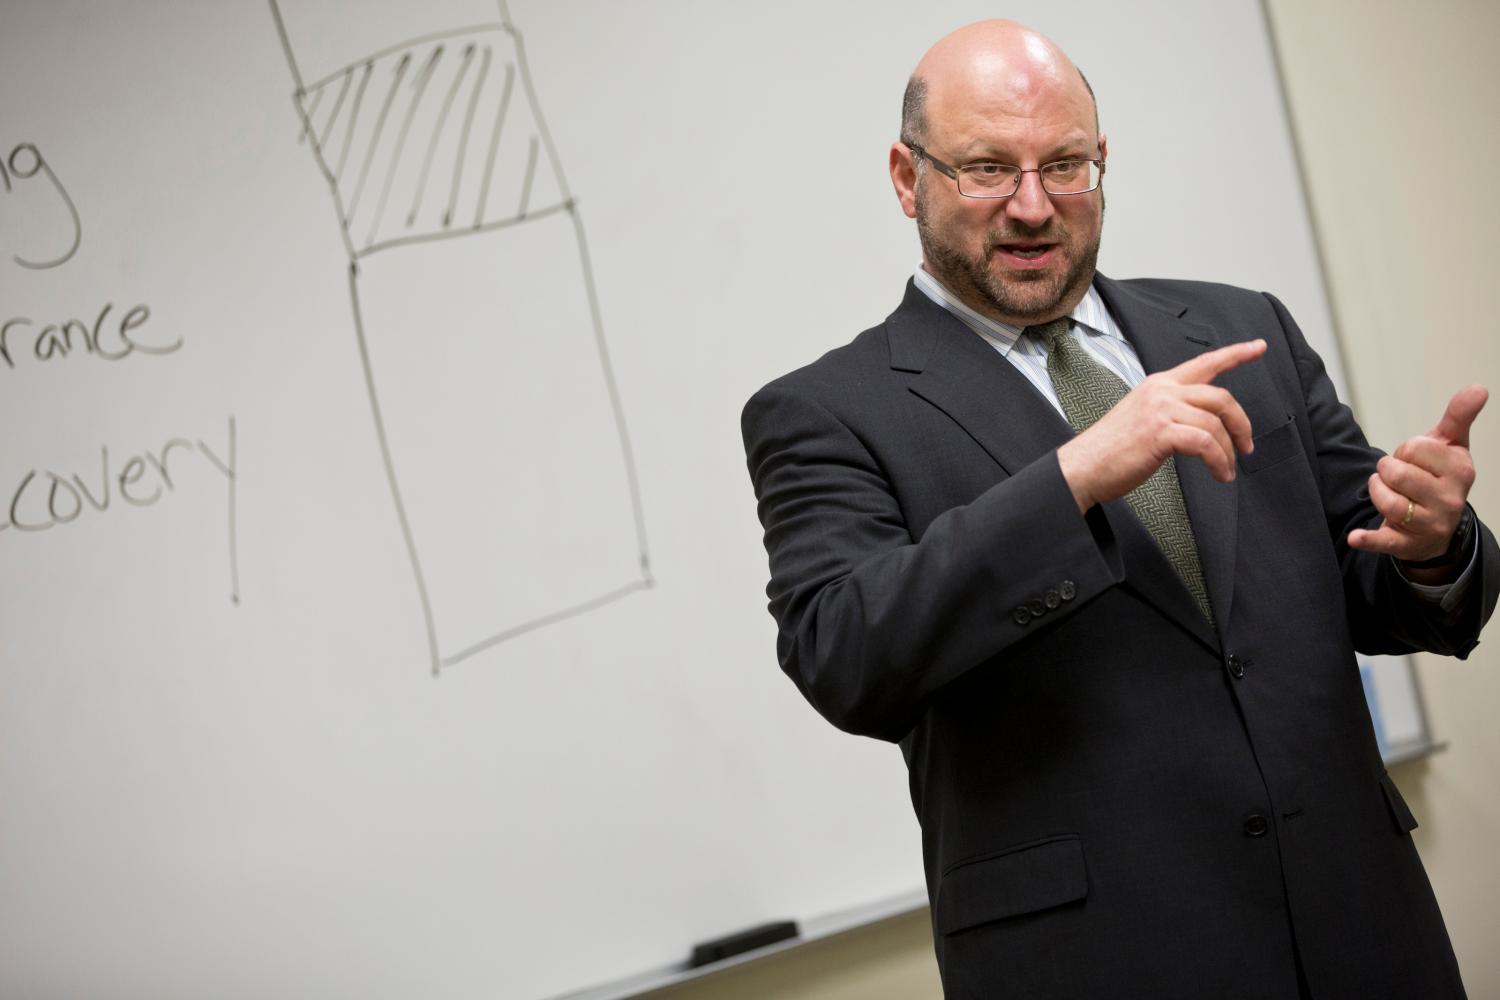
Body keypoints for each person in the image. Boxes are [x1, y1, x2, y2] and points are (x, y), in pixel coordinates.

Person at [741, 19, 1497, 1000]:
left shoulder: (1238, 327)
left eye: (1065, 165)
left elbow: (1372, 579)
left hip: (1360, 924)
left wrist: (1431, 547)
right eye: (985, 169)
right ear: (905, 176)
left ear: (1102, 161)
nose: (1032, 206)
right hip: (1102, 958)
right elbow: (847, 653)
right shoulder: (830, 410)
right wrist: (1076, 476)